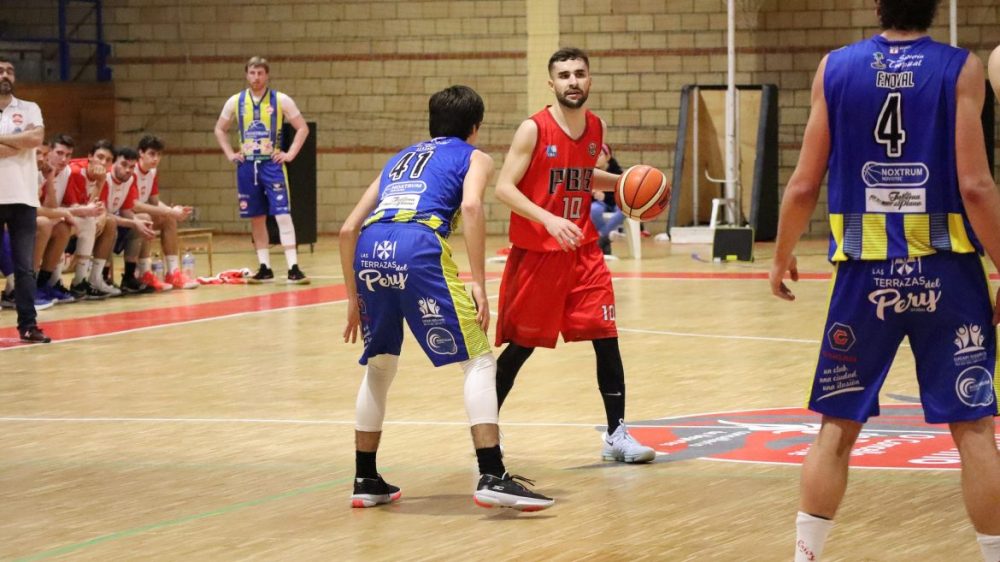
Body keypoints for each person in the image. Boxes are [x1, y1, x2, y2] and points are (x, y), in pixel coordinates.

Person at [768, 2, 1000, 560]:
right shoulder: (962, 67)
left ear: (878, 4)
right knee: (974, 430)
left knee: (836, 427)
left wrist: (780, 255)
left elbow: (803, 184)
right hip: (948, 274)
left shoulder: (835, 67)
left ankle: (805, 556)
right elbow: (976, 187)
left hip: (863, 276)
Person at [340, 85, 553, 511]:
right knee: (479, 359)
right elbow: (471, 207)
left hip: (370, 248)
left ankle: (365, 478)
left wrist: (352, 297)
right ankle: (492, 474)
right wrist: (479, 282)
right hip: (419, 244)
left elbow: (347, 229)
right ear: (475, 127)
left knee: (380, 366)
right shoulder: (475, 156)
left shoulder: (399, 158)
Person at [493, 47, 657, 463]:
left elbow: (581, 177)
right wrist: (548, 219)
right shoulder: (533, 129)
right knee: (521, 347)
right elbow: (504, 188)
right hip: (539, 253)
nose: (572, 81)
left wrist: (627, 182)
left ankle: (617, 434)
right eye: (564, 75)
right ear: (551, 83)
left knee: (606, 337)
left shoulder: (596, 127)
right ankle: (486, 430)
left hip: (583, 252)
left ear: (590, 80)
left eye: (579, 73)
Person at [214, 56, 309, 285]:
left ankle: (293, 267)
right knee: (256, 218)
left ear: (267, 75)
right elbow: (219, 129)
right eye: (252, 73)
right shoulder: (235, 101)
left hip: (271, 164)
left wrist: (289, 154)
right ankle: (265, 267)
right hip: (248, 166)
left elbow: (302, 128)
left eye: (260, 73)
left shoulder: (281, 100)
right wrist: (230, 153)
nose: (256, 77)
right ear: (246, 74)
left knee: (282, 214)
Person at [0, 57, 50, 343]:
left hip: (22, 198)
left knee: (24, 268)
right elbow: (26, 140)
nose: (5, 75)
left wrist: (6, 140)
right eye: (0, 71)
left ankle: (28, 326)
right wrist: (19, 140)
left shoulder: (30, 108)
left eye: (10, 71)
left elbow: (36, 138)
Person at [123, 134, 197, 292]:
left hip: (139, 215)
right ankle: (144, 272)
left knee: (168, 219)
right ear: (141, 153)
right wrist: (169, 210)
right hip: (124, 215)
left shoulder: (152, 172)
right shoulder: (132, 171)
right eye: (151, 154)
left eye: (158, 154)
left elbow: (155, 202)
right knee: (146, 218)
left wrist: (173, 212)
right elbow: (135, 205)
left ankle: (173, 272)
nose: (155, 158)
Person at [589, 143, 625, 255]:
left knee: (624, 210)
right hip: (599, 204)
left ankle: (600, 237)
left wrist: (605, 196)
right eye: (594, 155)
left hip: (615, 203)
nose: (596, 158)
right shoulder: (590, 172)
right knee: (594, 209)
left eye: (599, 155)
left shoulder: (617, 172)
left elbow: (622, 194)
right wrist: (593, 194)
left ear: (608, 157)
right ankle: (606, 239)